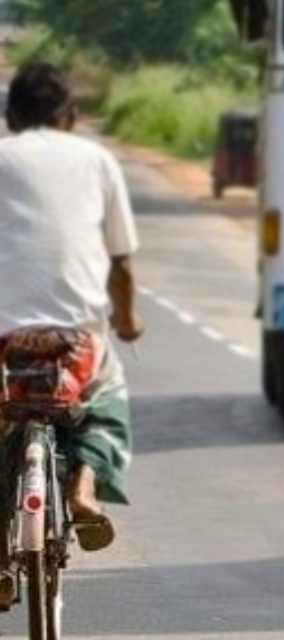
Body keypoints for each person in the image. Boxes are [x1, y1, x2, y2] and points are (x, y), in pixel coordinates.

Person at [0, 62, 144, 584]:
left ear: (11, 116)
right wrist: (127, 323)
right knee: (106, 400)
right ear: (72, 117)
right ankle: (84, 488)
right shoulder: (97, 161)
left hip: (3, 341)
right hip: (76, 340)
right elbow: (121, 264)